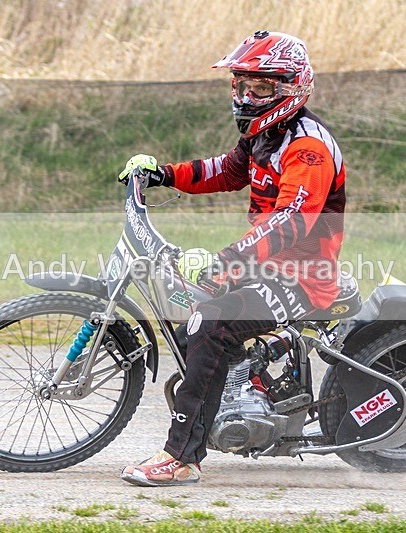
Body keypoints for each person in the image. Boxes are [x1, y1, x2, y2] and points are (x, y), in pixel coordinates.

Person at [118, 30, 346, 487]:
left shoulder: (307, 149)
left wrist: (224, 260)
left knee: (208, 324)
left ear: (290, 89)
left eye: (259, 88)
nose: (245, 96)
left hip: (303, 277)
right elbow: (225, 170)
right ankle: (250, 386)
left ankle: (180, 458)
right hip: (268, 267)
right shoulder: (266, 136)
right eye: (240, 85)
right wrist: (161, 174)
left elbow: (290, 223)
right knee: (188, 319)